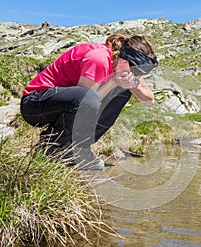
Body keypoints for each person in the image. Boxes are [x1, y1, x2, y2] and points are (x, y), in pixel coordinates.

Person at [20, 33, 158, 170]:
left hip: (66, 104)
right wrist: (113, 82)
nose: (137, 75)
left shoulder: (124, 65)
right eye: (136, 71)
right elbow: (86, 102)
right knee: (92, 98)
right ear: (124, 60)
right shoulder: (99, 59)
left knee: (125, 90)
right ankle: (56, 148)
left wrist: (134, 86)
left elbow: (149, 101)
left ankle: (76, 147)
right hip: (35, 104)